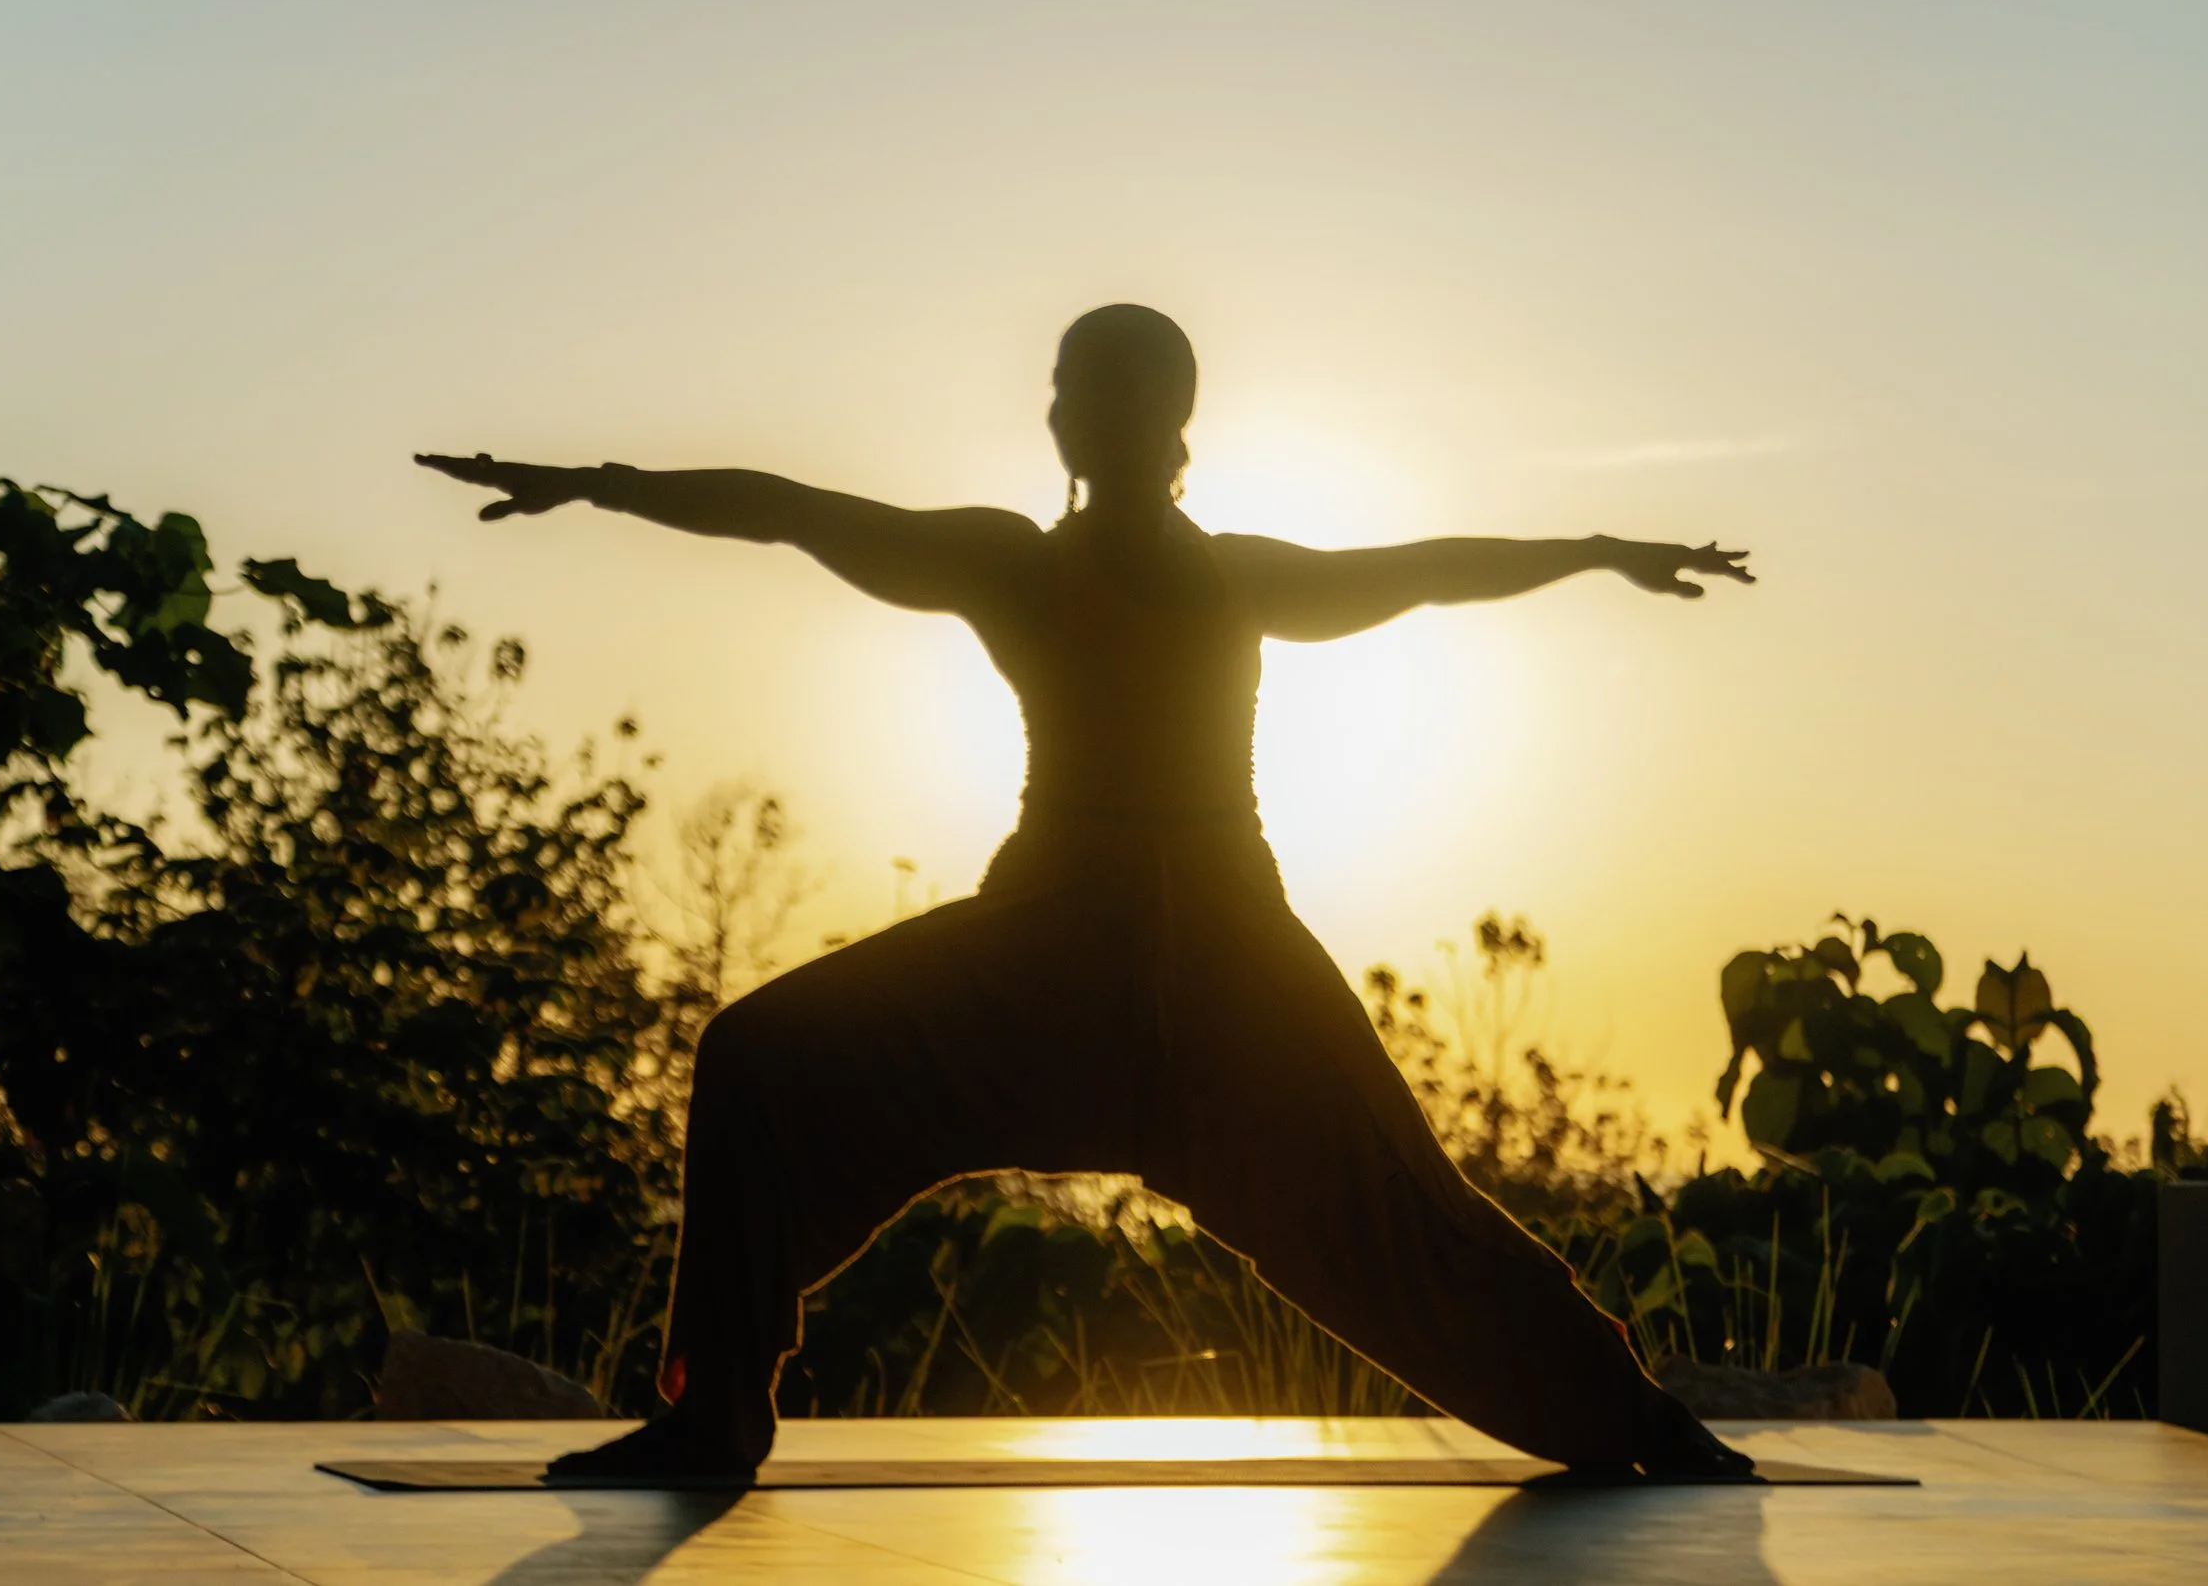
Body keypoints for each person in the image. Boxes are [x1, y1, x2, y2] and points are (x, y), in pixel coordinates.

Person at [416, 304, 1758, 1483]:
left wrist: (1595, 547)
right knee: (759, 1063)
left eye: (1086, 384)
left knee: (1412, 1209)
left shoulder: (1226, 573)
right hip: (1064, 953)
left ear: (1157, 410)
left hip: (1214, 963)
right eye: (1061, 385)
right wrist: (598, 484)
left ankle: (1637, 1415)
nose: (1062, 407)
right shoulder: (1024, 564)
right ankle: (711, 1425)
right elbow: (794, 511)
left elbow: (1428, 571)